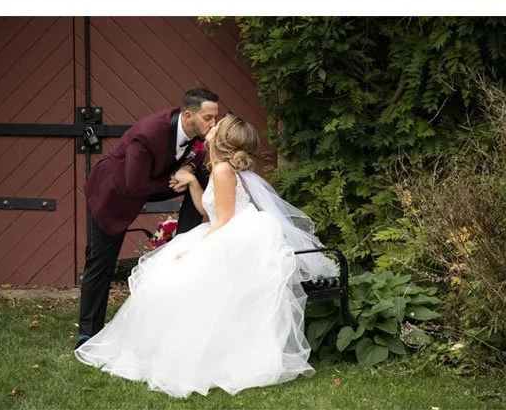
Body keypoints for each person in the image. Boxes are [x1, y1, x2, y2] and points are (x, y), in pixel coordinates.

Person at [75, 114, 335, 398]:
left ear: (220, 139)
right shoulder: (219, 167)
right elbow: (207, 211)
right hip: (224, 228)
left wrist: (192, 249)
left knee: (177, 276)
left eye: (216, 126)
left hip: (232, 235)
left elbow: (223, 220)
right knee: (168, 278)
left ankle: (185, 353)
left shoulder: (223, 169)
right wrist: (191, 181)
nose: (210, 127)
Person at [77, 88, 219, 345]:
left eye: (214, 118)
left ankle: (185, 240)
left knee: (200, 176)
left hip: (145, 185)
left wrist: (188, 169)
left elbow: (198, 154)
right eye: (208, 118)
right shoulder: (148, 134)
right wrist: (178, 179)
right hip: (114, 193)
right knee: (101, 263)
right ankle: (88, 332)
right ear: (188, 116)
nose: (213, 123)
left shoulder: (193, 131)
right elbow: (136, 186)